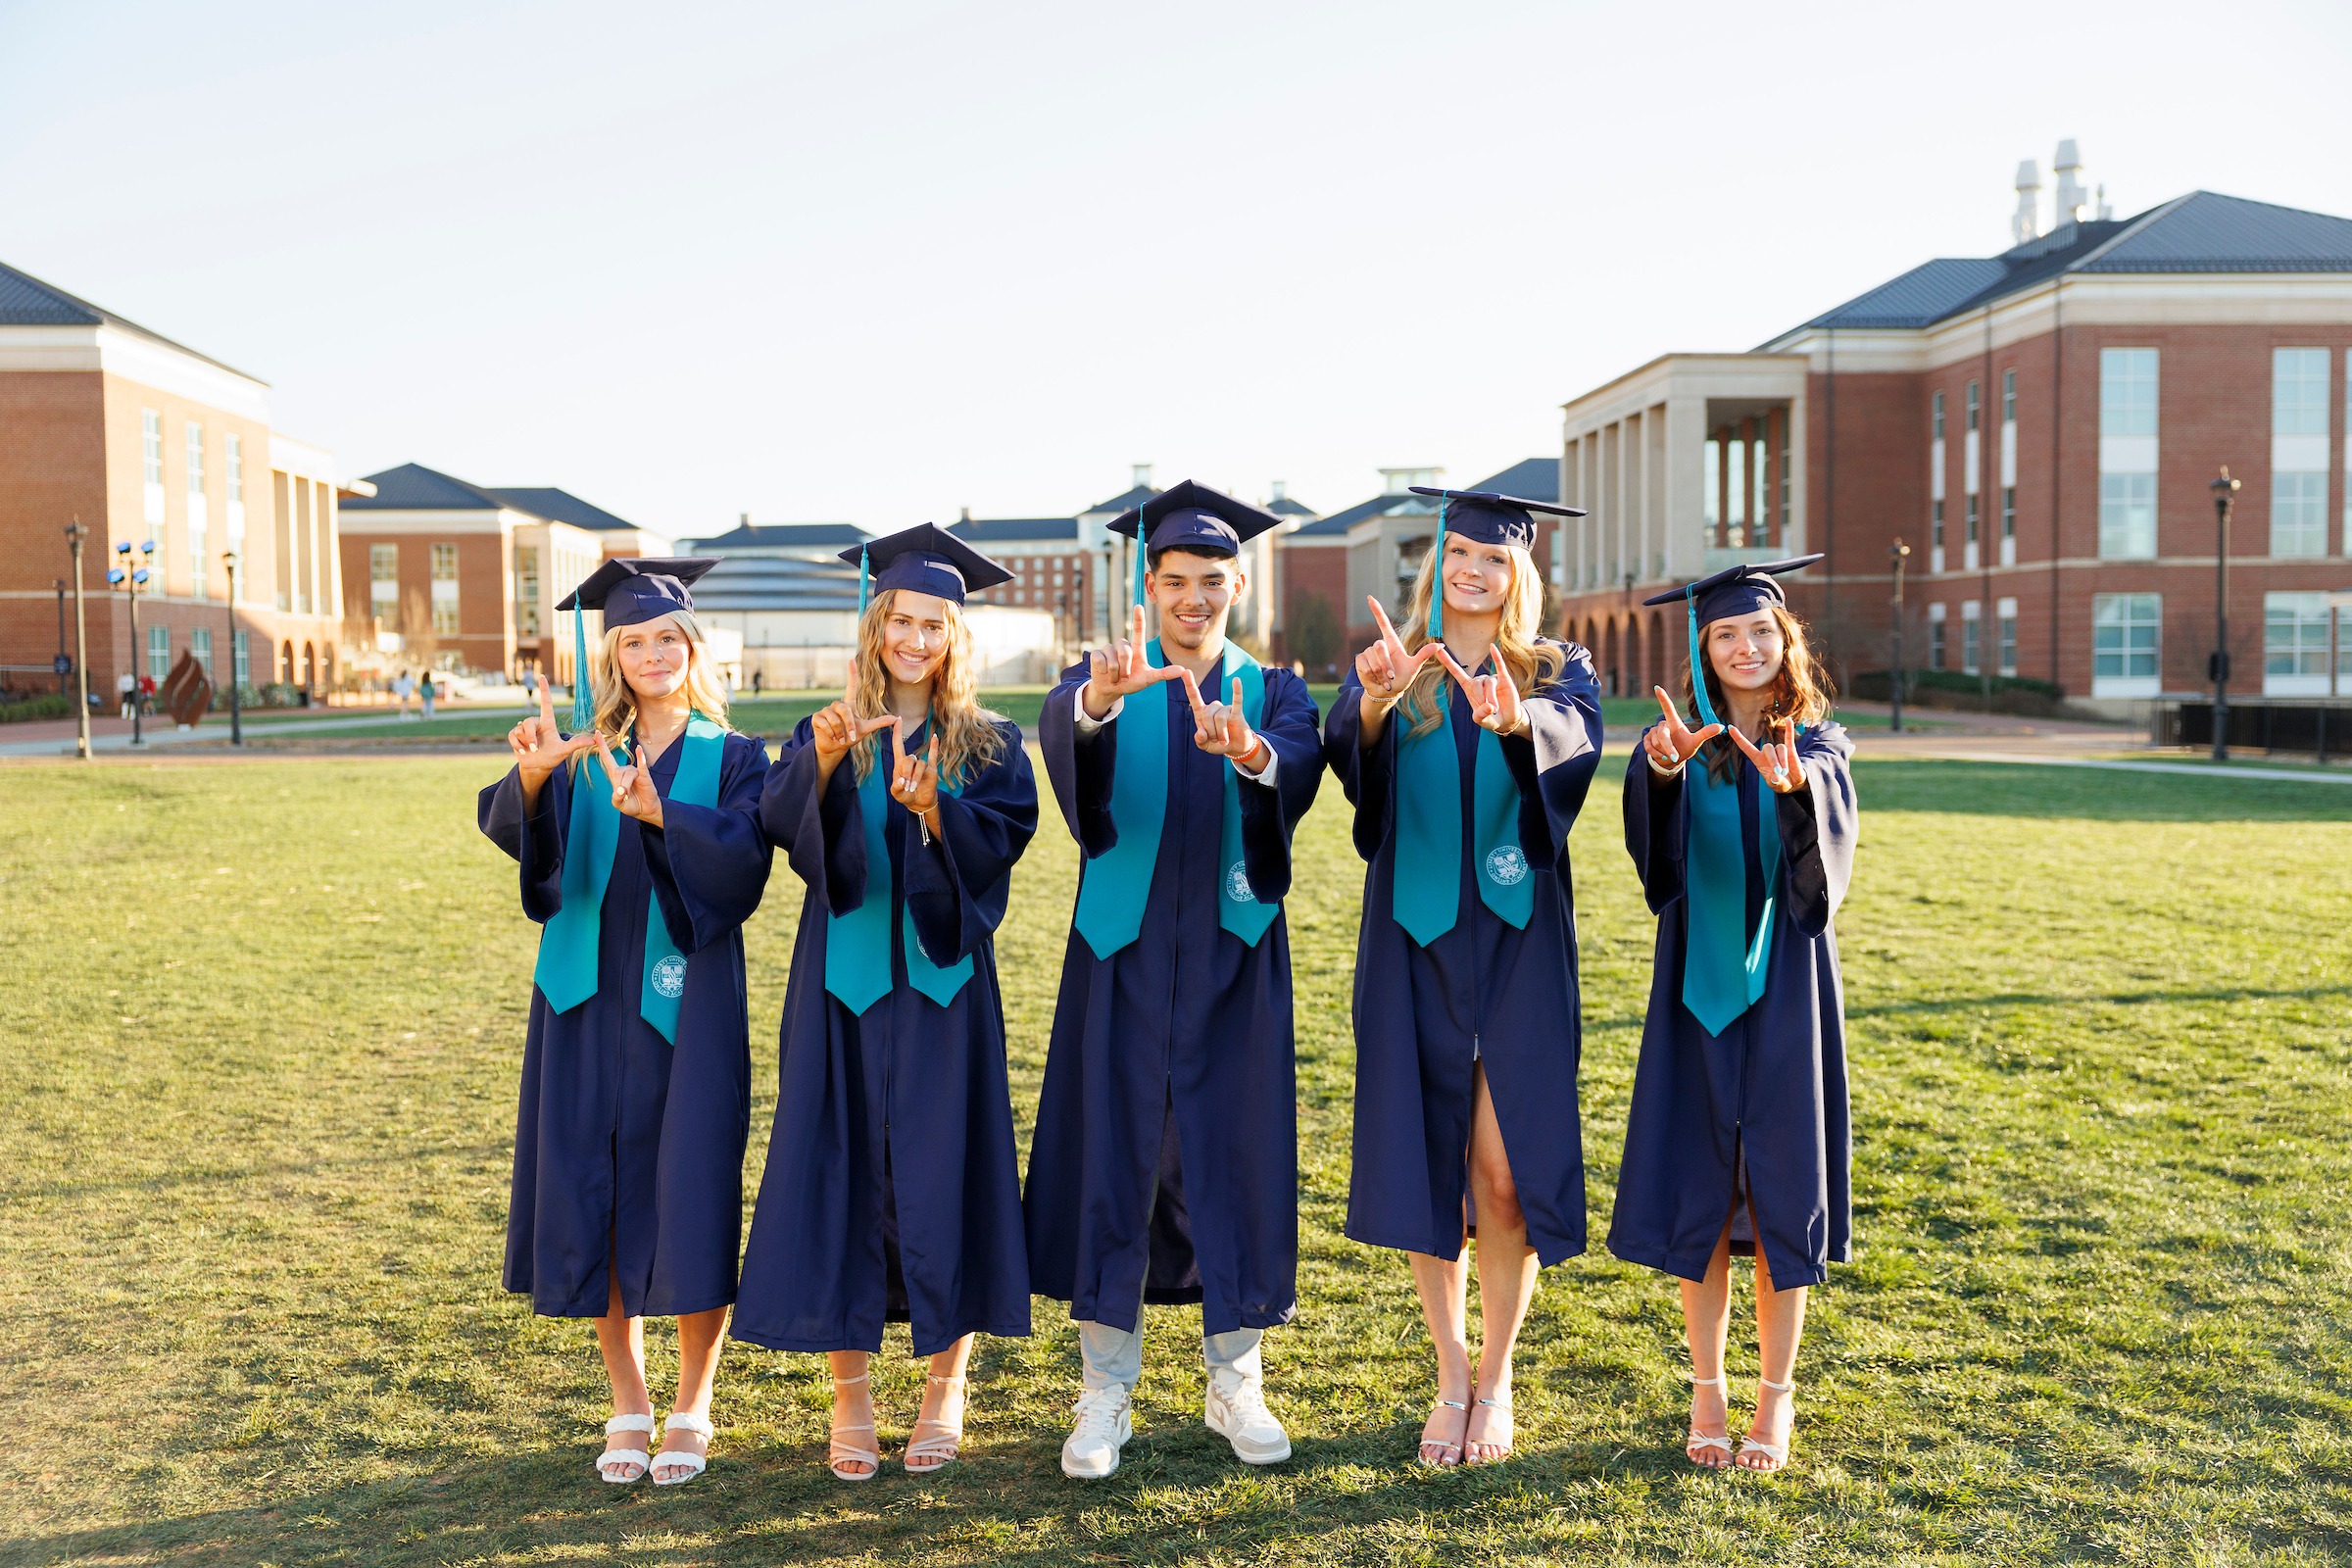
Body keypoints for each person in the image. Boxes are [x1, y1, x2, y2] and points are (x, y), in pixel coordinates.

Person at [1025, 480, 1324, 1480]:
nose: (1194, 598)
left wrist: (1252, 751)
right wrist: (1098, 706)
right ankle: (1103, 1388)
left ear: (1239, 585)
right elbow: (1067, 739)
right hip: (1122, 952)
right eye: (1177, 581)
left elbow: (1299, 761)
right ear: (1148, 588)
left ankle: (1235, 1378)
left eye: (1212, 581)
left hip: (1236, 954)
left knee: (1231, 1153)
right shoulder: (1106, 679)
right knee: (1113, 1151)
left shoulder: (1273, 689)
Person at [732, 524, 1039, 1482]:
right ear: (874, 627)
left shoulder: (990, 744)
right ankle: (853, 1397)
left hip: (947, 988)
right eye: (900, 620)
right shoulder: (825, 727)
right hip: (842, 987)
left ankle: (947, 1385)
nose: (914, 638)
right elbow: (781, 827)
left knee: (953, 1169)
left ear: (955, 637)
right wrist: (824, 763)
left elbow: (1003, 845)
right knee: (841, 1171)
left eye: (932, 624)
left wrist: (936, 809)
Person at [1322, 487, 1603, 1467]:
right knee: (1425, 1164)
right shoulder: (1398, 666)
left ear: (1519, 573)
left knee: (1505, 1175)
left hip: (1520, 940)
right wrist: (1372, 702)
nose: (1473, 570)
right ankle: (1451, 1374)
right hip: (1415, 940)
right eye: (1459, 554)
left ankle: (1500, 1374)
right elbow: (1352, 771)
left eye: (1494, 558)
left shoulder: (1557, 669)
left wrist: (1519, 723)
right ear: (1435, 564)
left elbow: (1572, 746)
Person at [477, 558, 772, 1488]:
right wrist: (531, 783)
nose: (652, 654)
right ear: (611, 655)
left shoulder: (736, 757)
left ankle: (693, 1402)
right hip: (583, 999)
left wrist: (663, 815)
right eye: (633, 640)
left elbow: (745, 866)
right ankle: (629, 1398)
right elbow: (527, 845)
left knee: (689, 1189)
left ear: (694, 647)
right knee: (594, 1183)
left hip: (690, 1005)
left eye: (667, 638)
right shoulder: (578, 750)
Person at [1609, 555, 1857, 1476]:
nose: (1745, 647)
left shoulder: (1820, 746)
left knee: (1784, 1183)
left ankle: (1775, 1398)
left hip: (1788, 985)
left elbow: (1824, 875)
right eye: (1725, 635)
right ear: (1703, 651)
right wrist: (1660, 773)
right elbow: (1656, 867)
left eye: (1759, 631)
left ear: (1785, 641)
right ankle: (1707, 1390)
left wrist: (1795, 792)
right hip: (1695, 990)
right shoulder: (1681, 745)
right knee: (1700, 1188)